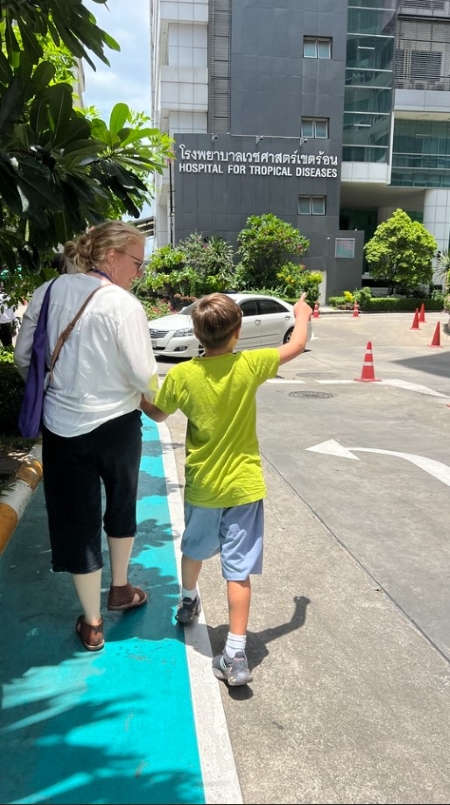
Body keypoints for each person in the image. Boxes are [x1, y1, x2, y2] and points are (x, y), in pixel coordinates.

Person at [140, 291, 312, 685]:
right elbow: (297, 344)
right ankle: (235, 655)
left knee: (193, 549)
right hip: (244, 487)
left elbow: (157, 412)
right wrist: (300, 312)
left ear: (197, 334)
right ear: (237, 332)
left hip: (203, 486)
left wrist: (137, 394)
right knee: (239, 572)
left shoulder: (183, 375)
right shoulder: (250, 363)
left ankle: (187, 602)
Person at [14, 221, 158, 652]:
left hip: (61, 428)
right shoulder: (123, 304)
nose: (139, 272)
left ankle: (92, 623)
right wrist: (162, 405)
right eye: (137, 262)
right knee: (120, 502)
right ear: (110, 256)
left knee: (75, 520)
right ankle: (120, 587)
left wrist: (56, 391)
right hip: (117, 425)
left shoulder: (49, 291)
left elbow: (25, 358)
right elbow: (142, 374)